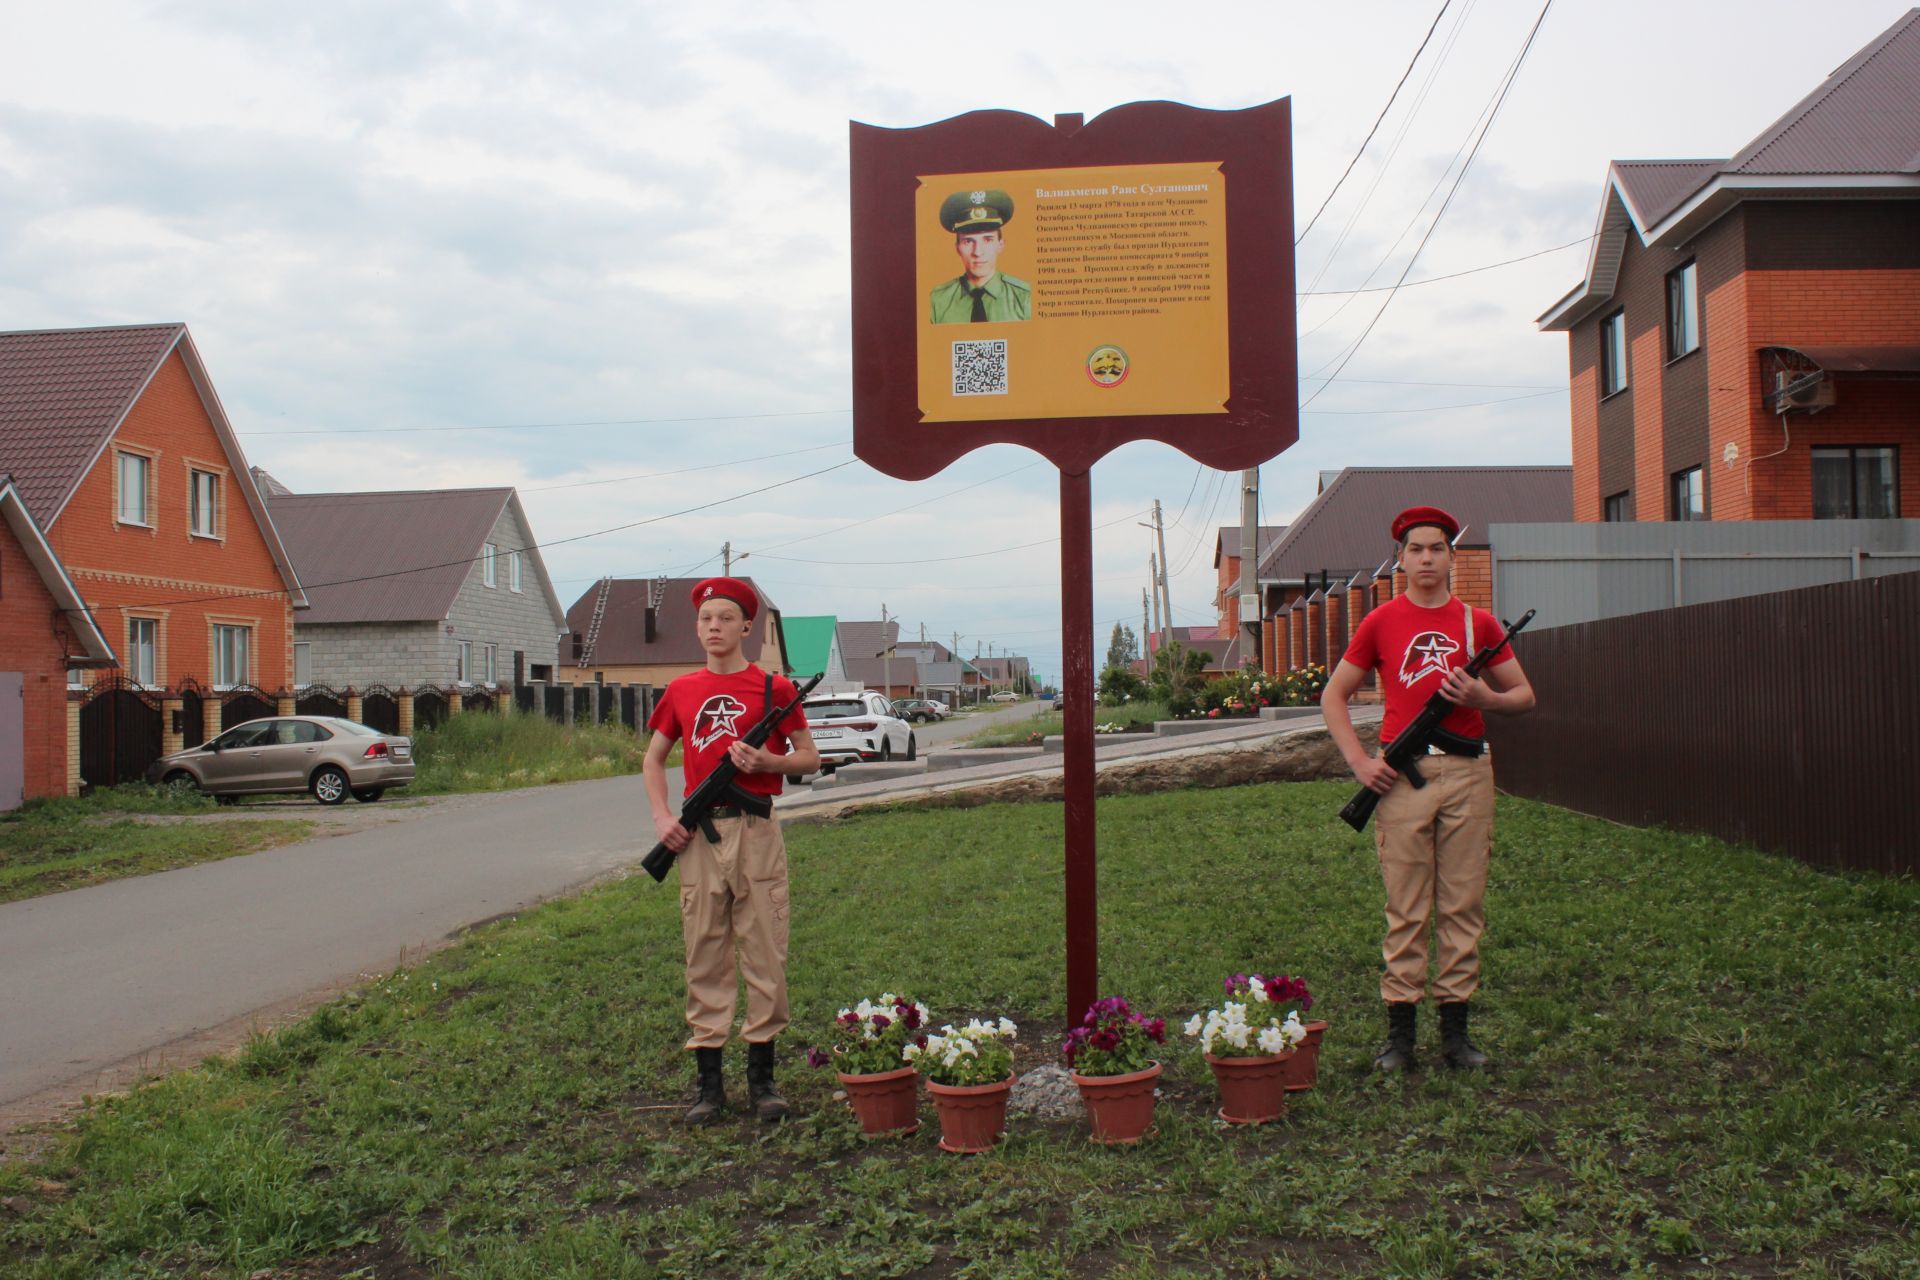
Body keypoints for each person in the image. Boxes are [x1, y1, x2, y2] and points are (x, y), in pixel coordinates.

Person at [1321, 506, 1536, 1073]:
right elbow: (1333, 696)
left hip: (1468, 775)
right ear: (1401, 558)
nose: (1426, 559)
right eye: (1415, 549)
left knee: (1463, 903)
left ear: (1451, 557)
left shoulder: (1478, 624)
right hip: (1401, 778)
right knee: (1406, 906)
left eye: (1436, 548)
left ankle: (1456, 1034)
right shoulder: (1380, 622)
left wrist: (1484, 700)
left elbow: (1523, 696)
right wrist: (1360, 762)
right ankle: (1400, 1034)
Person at [643, 576, 821, 1123]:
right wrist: (664, 818)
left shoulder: (776, 690)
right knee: (705, 950)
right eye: (705, 619)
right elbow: (653, 761)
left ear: (747, 626)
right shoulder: (680, 690)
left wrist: (769, 764)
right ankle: (709, 1085)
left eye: (725, 618)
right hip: (698, 837)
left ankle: (763, 1081)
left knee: (765, 947)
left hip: (757, 832)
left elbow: (808, 757)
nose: (714, 627)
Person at [928, 188, 1033, 324]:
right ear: (957, 248)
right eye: (968, 241)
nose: (978, 252)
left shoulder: (1025, 298)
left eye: (988, 240)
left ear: (1001, 244)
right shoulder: (937, 301)